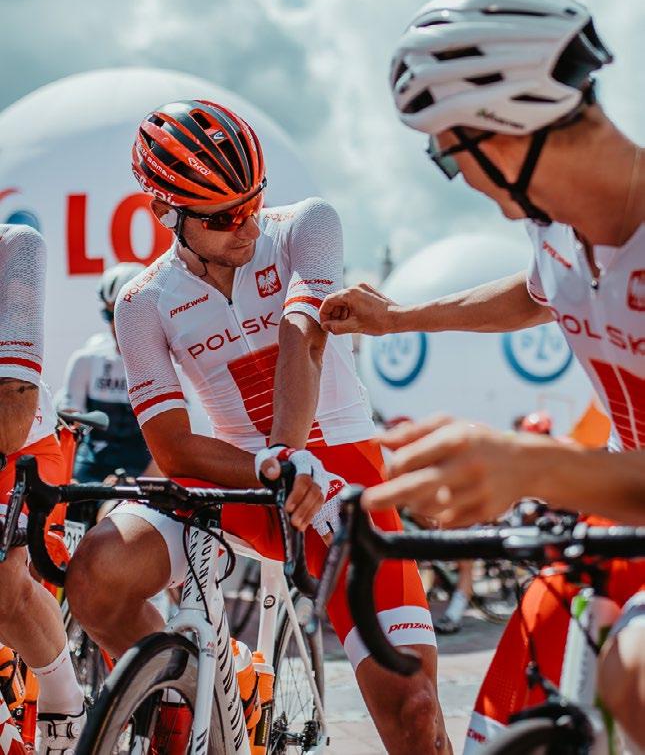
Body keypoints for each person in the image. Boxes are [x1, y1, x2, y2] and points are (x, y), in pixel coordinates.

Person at [65, 100, 451, 754]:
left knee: (414, 708)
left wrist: (290, 455)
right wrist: (272, 466)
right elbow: (172, 447)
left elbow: (304, 334)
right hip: (236, 477)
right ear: (165, 212)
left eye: (252, 202)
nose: (245, 225)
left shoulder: (305, 224)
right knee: (96, 577)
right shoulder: (142, 301)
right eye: (221, 217)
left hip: (340, 469)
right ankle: (187, 702)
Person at [319, 0, 644, 750]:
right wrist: (398, 317)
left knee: (632, 677)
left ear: (496, 136)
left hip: (617, 498)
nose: (454, 175)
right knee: (508, 724)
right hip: (617, 512)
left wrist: (531, 465)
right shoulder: (556, 226)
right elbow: (535, 293)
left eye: (444, 151)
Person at [0, 224, 86, 751]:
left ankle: (63, 701)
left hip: (18, 444)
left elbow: (12, 414)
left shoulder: (16, 247)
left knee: (4, 588)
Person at [59, 263, 157, 486]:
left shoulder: (169, 361)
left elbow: (174, 441)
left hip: (141, 470)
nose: (115, 323)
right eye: (108, 314)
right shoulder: (86, 359)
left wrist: (139, 485)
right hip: (91, 466)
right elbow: (69, 430)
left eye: (124, 312)